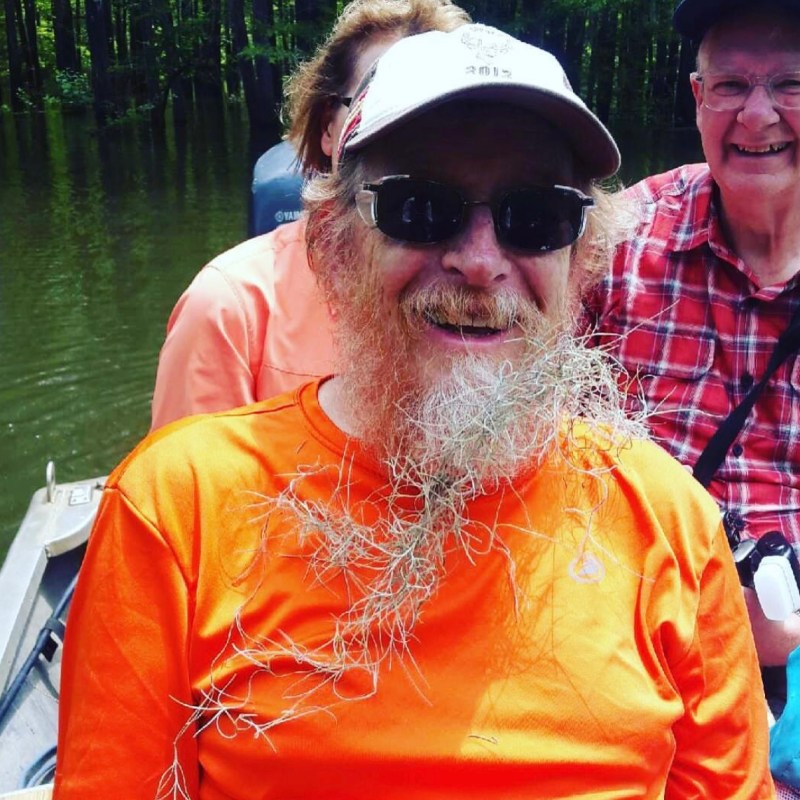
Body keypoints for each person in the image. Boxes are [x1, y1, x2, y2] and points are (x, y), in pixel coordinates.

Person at [54, 24, 773, 799]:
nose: (479, 259)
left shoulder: (672, 524)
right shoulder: (178, 507)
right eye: (420, 207)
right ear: (332, 244)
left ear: (581, 261)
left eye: (535, 217)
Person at [585, 0, 800, 671]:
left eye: (791, 85)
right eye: (731, 86)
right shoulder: (614, 242)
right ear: (698, 98)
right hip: (633, 631)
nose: (757, 116)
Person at [150, 0, 471, 431]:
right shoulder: (230, 310)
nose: (418, 134)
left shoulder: (500, 290)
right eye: (378, 103)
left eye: (442, 109)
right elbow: (183, 487)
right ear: (327, 128)